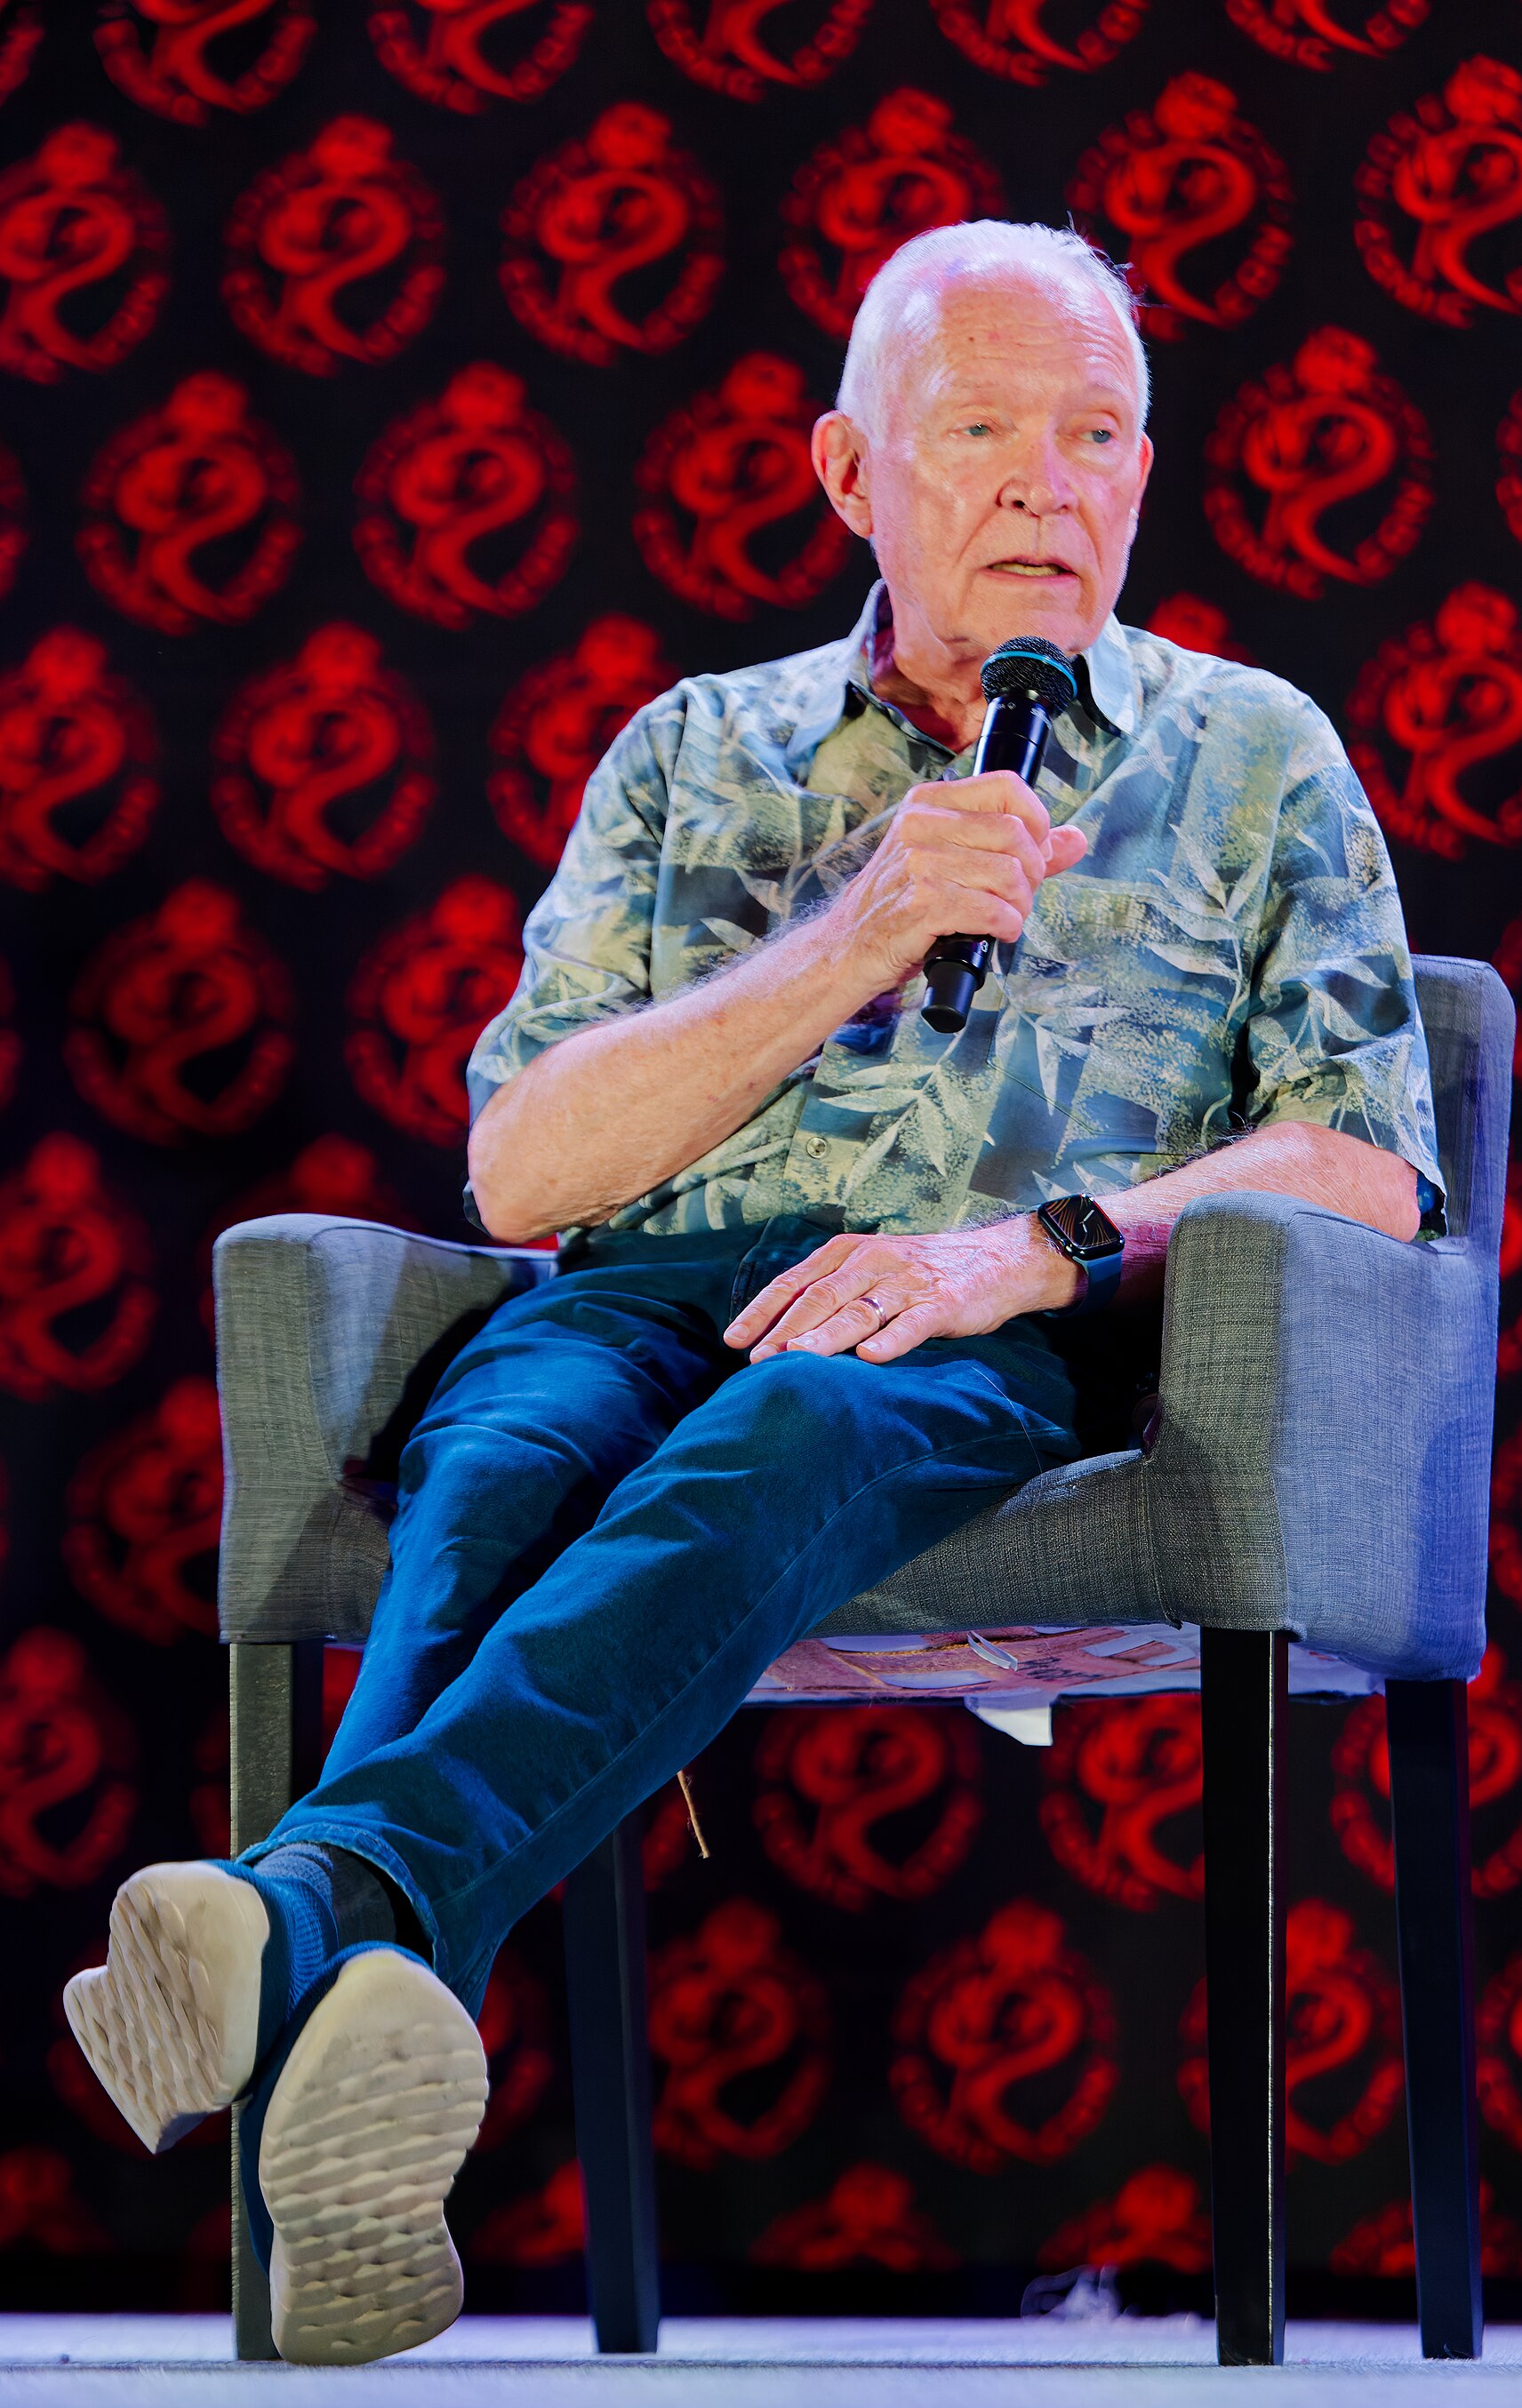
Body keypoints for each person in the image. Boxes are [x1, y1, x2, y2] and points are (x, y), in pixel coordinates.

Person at [65, 221, 1441, 2364]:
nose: (1046, 487)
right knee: (497, 1455)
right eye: (981, 431)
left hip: (993, 1312)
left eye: (1096, 437)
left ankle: (304, 1904)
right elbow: (523, 1163)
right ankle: (345, 2066)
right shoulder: (691, 751)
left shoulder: (1257, 752)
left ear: (1146, 472)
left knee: (788, 1422)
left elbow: (1370, 1150)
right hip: (638, 1286)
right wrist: (858, 930)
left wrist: (1039, 1243)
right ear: (847, 472)